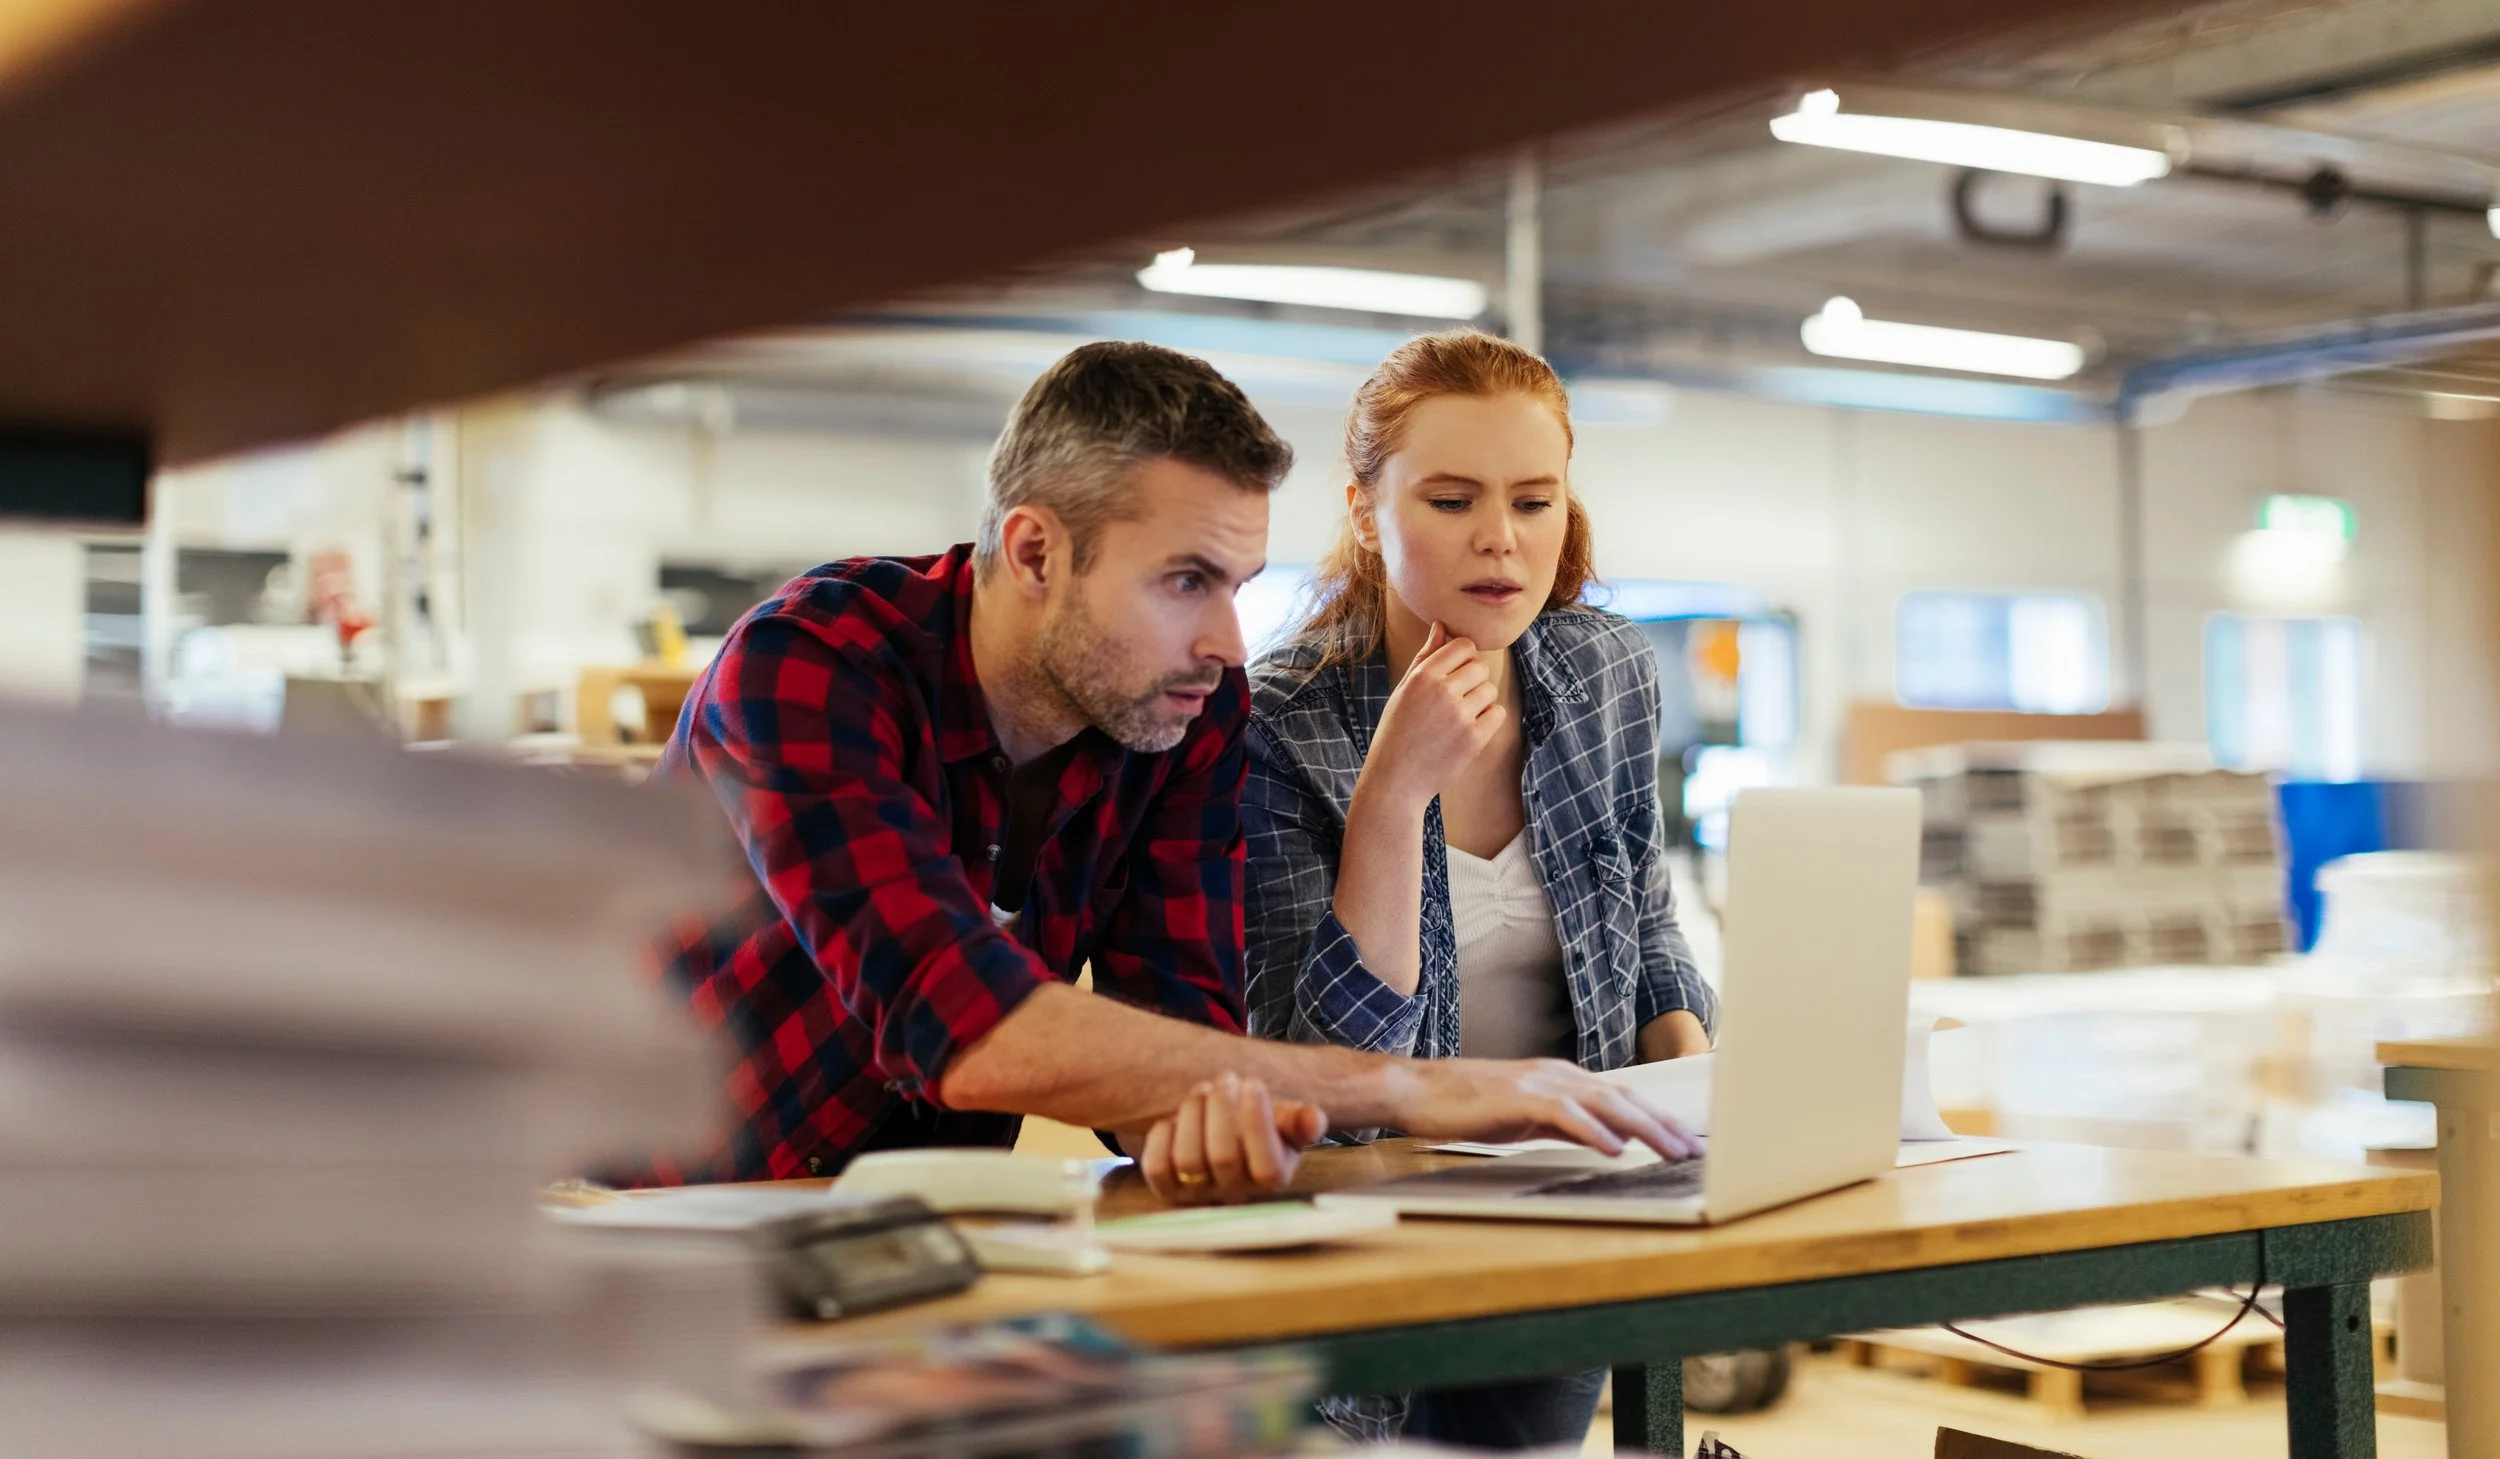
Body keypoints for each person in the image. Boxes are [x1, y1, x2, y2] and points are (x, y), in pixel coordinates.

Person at [619, 340, 1691, 1198]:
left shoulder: (1181, 713)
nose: (1230, 639)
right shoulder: (810, 664)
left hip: (908, 1233)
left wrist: (1205, 1118)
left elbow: (1176, 1055)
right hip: (642, 1223)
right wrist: (1410, 1084)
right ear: (1036, 552)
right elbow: (964, 1023)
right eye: (1186, 580)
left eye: (1238, 582)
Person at [1240, 329, 1718, 1447]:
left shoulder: (1604, 668)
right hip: (1361, 1227)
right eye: (1450, 499)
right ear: (1365, 509)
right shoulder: (1276, 722)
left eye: (1534, 500)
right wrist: (1393, 794)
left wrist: (1702, 1103)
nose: (1501, 541)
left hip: (1564, 1207)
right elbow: (1322, 1063)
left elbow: (1643, 921)